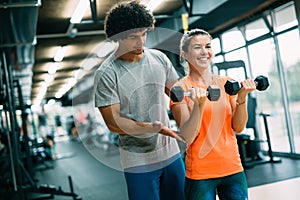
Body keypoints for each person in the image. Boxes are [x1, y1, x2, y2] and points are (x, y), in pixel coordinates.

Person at [94, 1, 185, 200]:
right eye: (133, 37)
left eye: (144, 34)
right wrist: (150, 127)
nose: (141, 42)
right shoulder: (107, 73)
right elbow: (113, 123)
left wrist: (194, 97)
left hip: (170, 153)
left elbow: (178, 94)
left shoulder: (159, 59)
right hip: (137, 160)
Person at [170, 28, 256, 200]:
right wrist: (199, 106)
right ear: (184, 54)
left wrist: (242, 97)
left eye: (208, 46)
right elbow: (188, 136)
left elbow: (238, 127)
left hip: (232, 167)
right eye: (197, 47)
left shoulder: (226, 83)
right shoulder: (180, 89)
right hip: (201, 173)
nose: (204, 52)